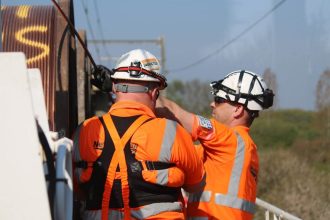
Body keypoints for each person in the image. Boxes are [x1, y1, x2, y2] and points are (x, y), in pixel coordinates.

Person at [72, 49, 205, 220]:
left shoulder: (83, 131)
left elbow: (77, 190)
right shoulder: (172, 132)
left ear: (114, 86)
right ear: (154, 92)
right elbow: (196, 185)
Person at [156, 70, 274, 220]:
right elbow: (183, 151)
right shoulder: (240, 148)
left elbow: (174, 113)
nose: (212, 104)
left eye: (219, 99)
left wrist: (142, 90)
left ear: (238, 109)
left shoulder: (230, 140)